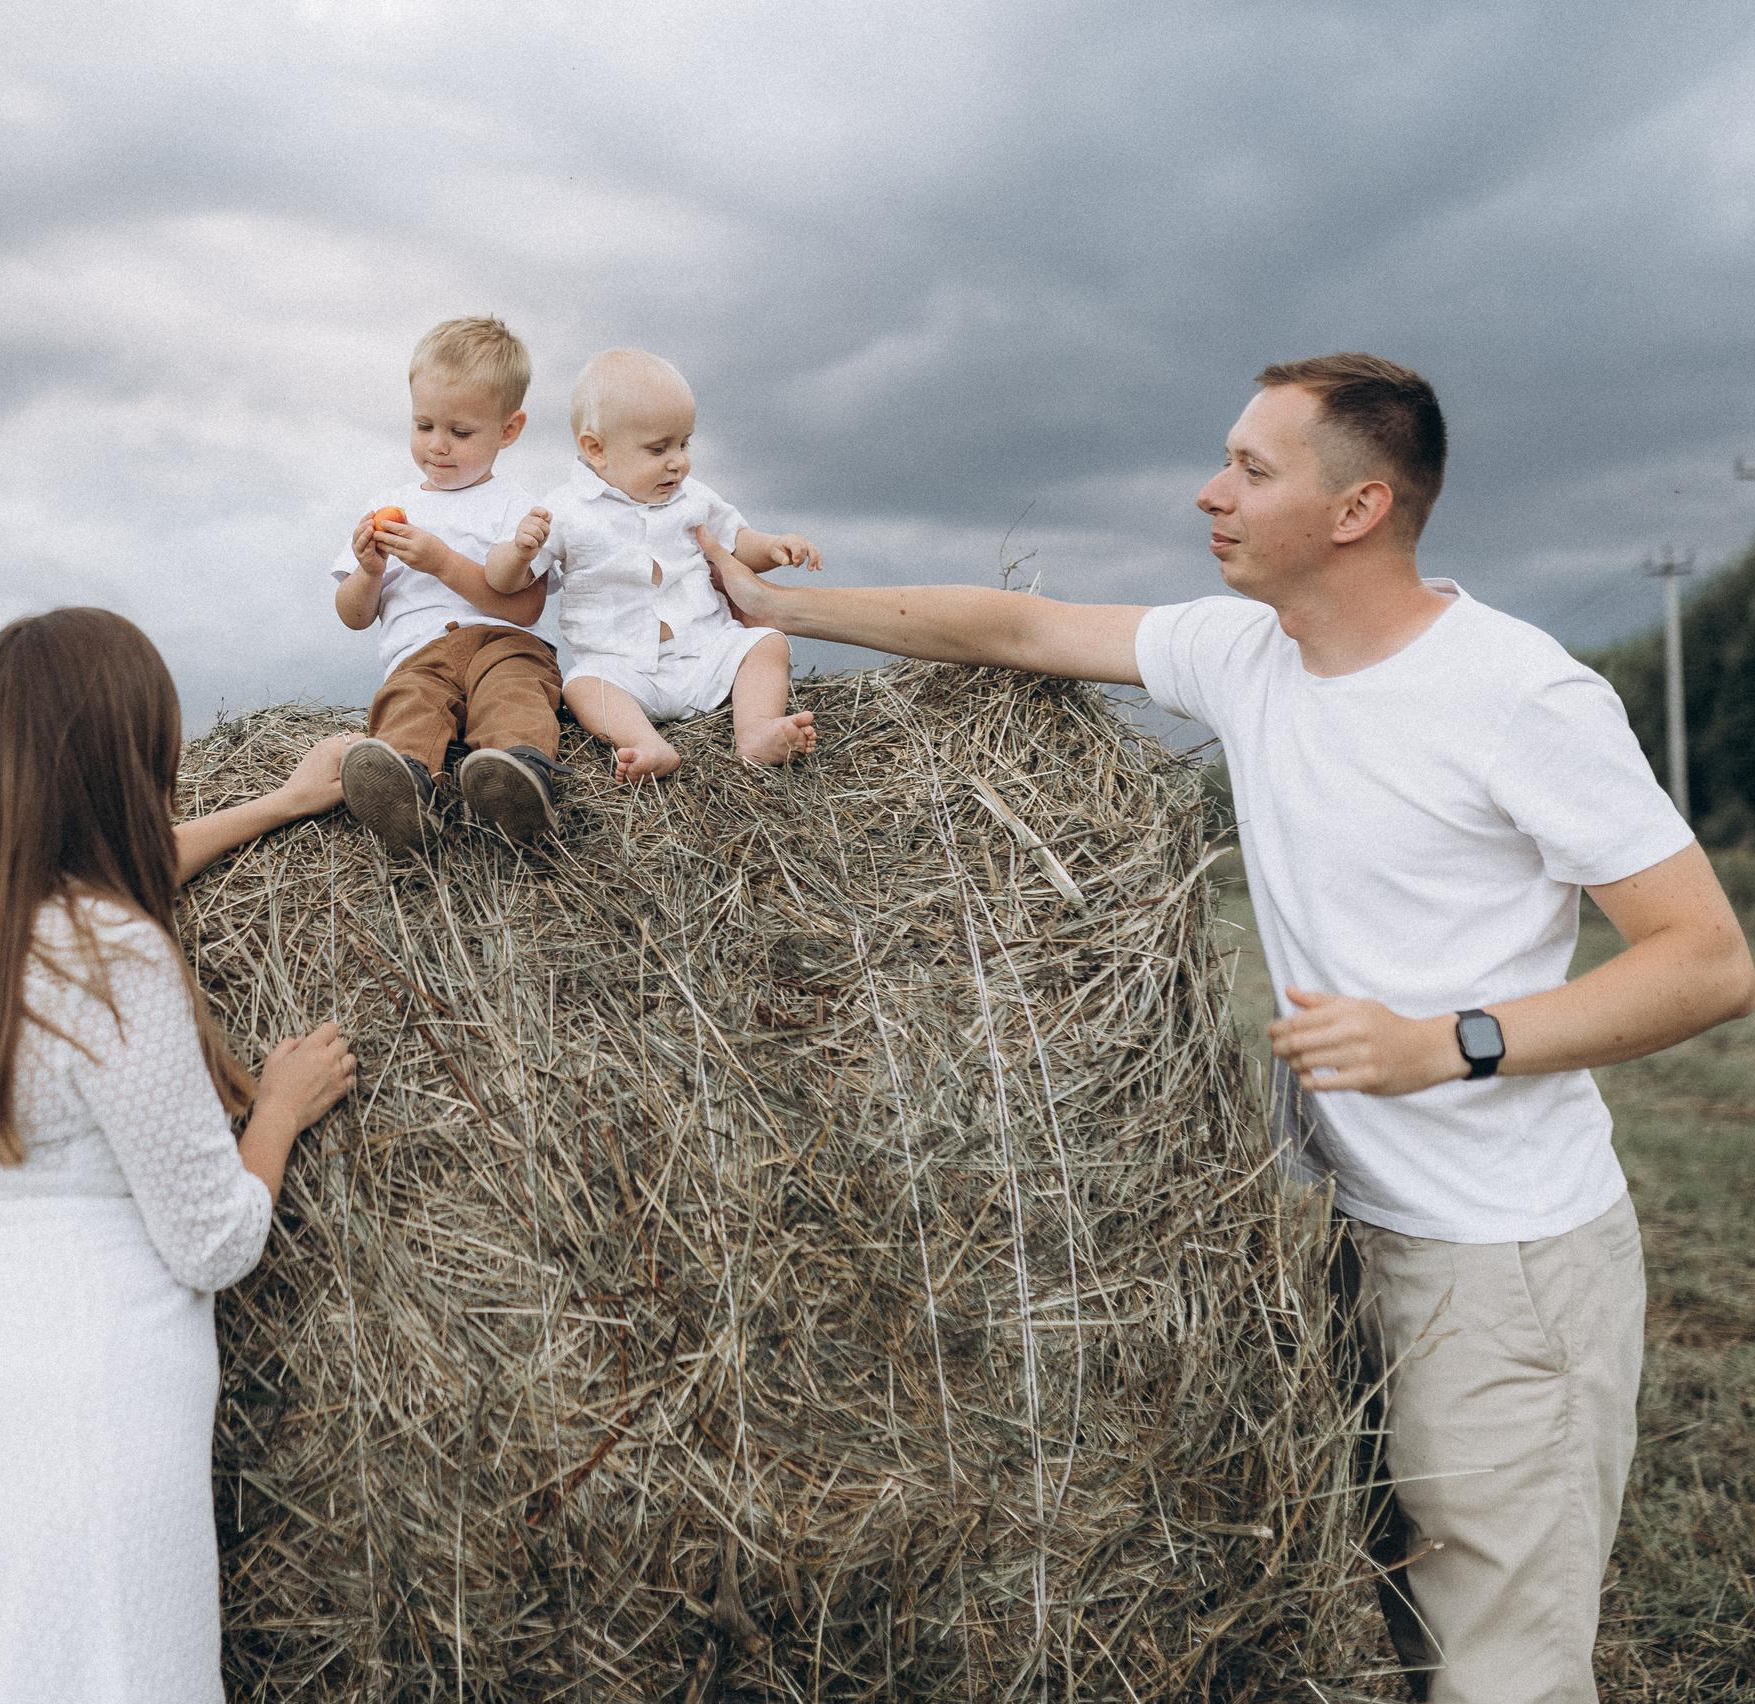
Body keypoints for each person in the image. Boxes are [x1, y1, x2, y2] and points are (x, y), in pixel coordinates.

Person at [699, 353, 1755, 1704]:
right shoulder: (1251, 655)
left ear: (1360, 507)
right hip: (1338, 1237)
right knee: (1406, 1630)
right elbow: (1015, 630)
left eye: (1252, 470)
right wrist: (778, 606)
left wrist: (1449, 1043)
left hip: (1507, 1265)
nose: (1212, 491)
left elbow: (1707, 960)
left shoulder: (1519, 693)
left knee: (1506, 1673)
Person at [0, 608, 359, 1703]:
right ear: (131, 757)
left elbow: (85, 889)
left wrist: (276, 804)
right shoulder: (116, 959)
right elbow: (213, 1240)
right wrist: (280, 1110)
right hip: (82, 1404)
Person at [486, 348, 820, 780]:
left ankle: (754, 730)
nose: (678, 460)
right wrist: (518, 551)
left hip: (707, 651)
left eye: (684, 443)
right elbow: (503, 580)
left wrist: (773, 547)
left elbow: (735, 542)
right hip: (623, 671)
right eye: (658, 448)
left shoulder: (693, 498)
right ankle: (646, 744)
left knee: (766, 642)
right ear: (596, 449)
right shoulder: (565, 510)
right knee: (582, 686)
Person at [333, 316, 568, 853]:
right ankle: (403, 788)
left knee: (515, 694)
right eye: (424, 426)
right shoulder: (386, 505)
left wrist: (442, 562)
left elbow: (527, 608)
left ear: (508, 430)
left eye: (460, 433)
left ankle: (517, 778)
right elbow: (353, 615)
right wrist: (369, 572)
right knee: (409, 702)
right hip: (419, 654)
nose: (438, 446)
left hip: (504, 644)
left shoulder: (517, 507)